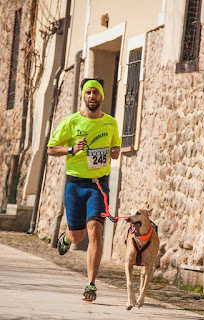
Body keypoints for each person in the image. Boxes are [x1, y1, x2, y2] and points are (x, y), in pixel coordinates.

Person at [47, 77, 122, 301]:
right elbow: (51, 149)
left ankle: (91, 284)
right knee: (78, 236)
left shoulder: (111, 123)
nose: (92, 96)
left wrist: (116, 151)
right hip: (75, 185)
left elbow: (116, 145)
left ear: (102, 96)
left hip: (99, 185)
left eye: (95, 93)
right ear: (83, 96)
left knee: (95, 231)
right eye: (88, 93)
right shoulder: (70, 122)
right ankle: (67, 239)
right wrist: (71, 149)